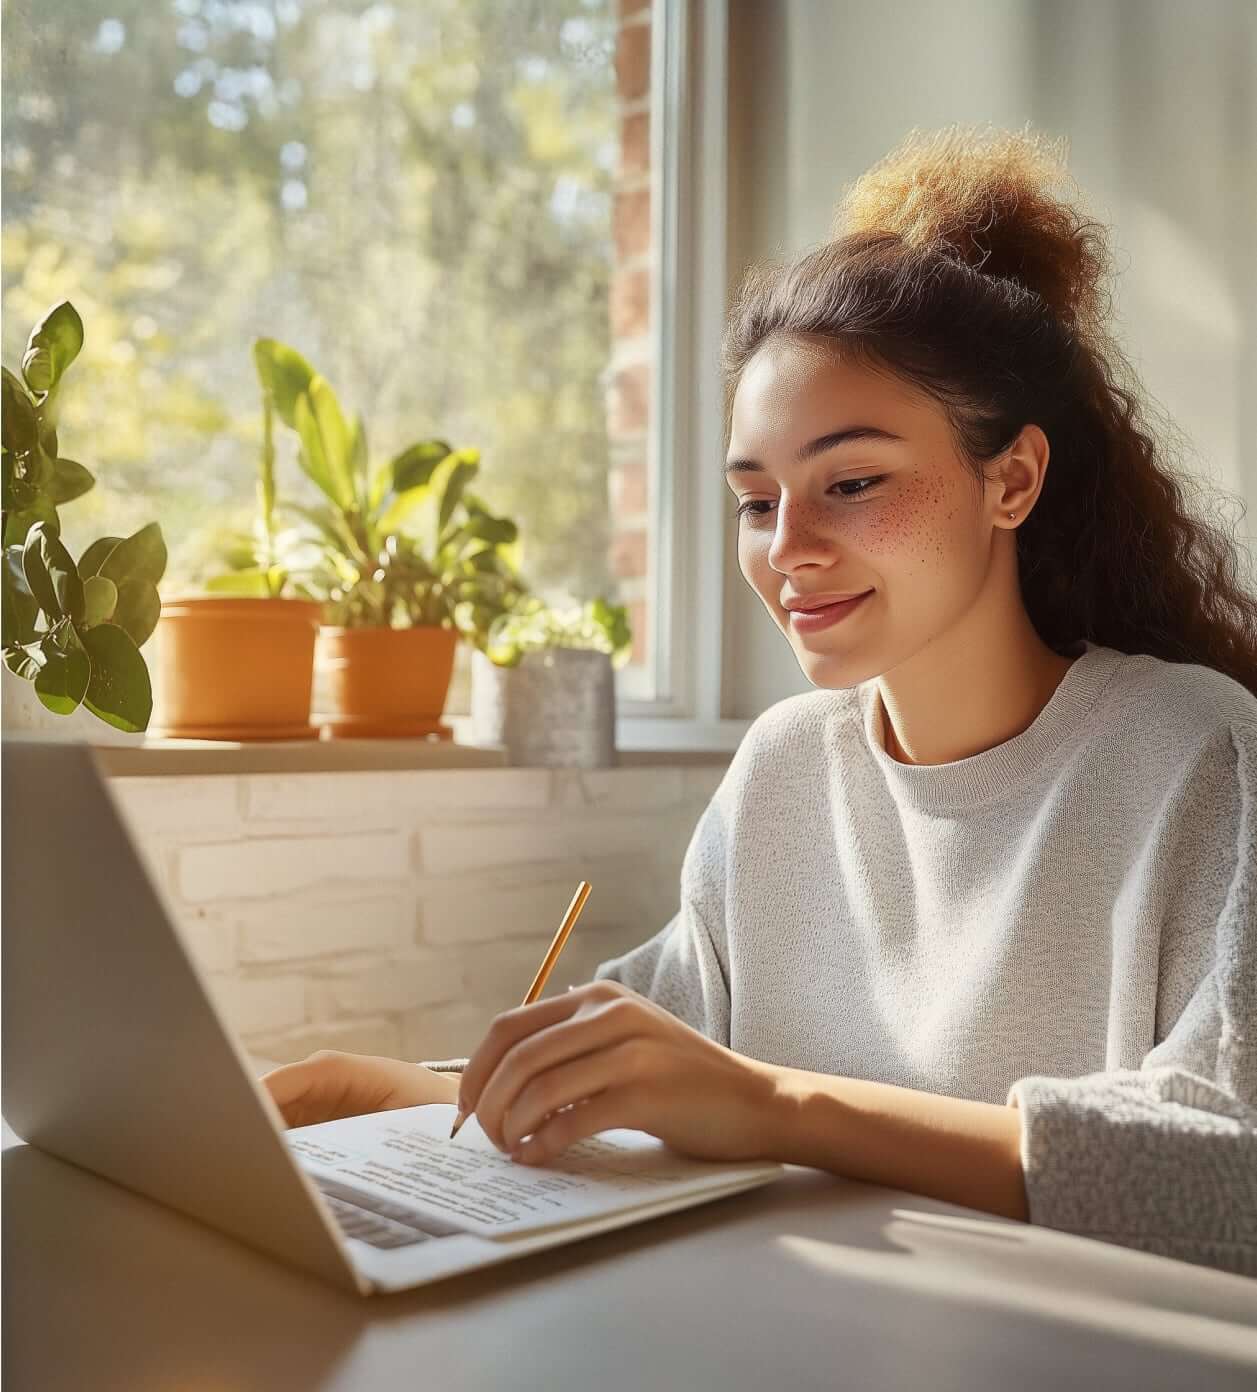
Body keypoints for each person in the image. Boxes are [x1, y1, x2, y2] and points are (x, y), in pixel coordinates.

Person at [264, 125, 1257, 1276]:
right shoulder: (787, 765)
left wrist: (783, 1106)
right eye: (755, 500)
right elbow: (650, 1062)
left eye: (851, 483)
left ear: (1013, 479)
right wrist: (356, 1088)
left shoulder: (1200, 758)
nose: (789, 548)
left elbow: (1226, 1180)